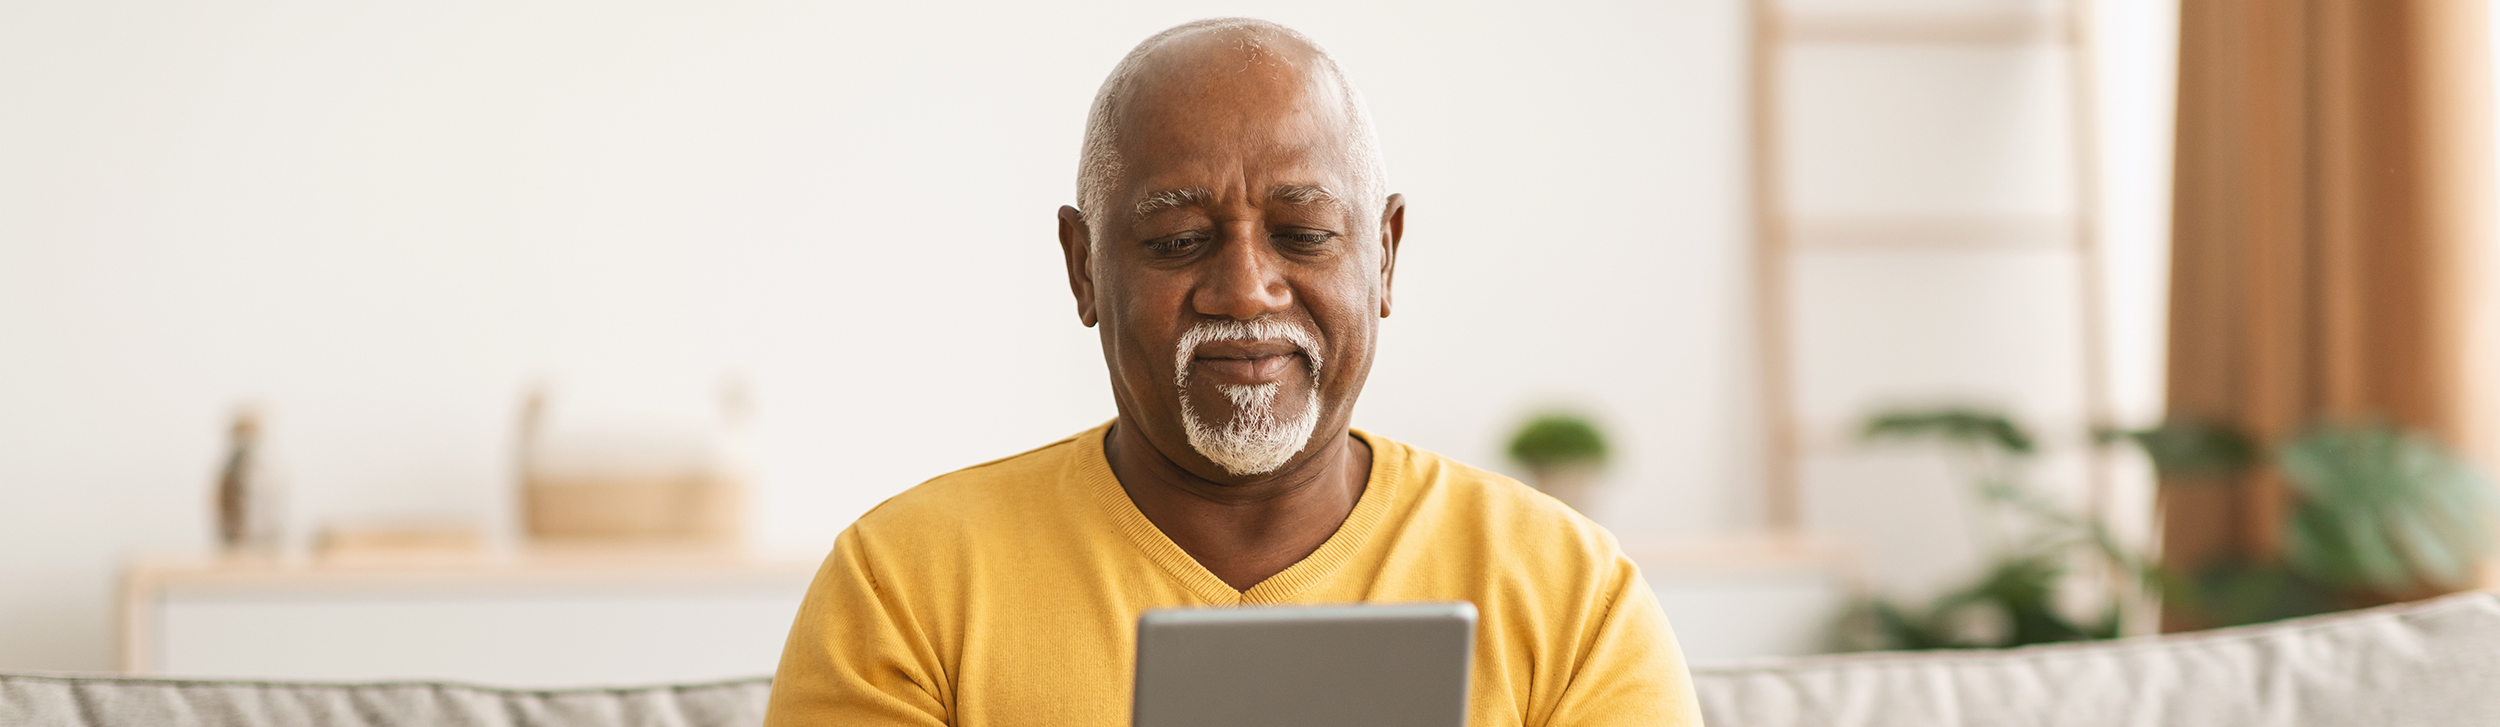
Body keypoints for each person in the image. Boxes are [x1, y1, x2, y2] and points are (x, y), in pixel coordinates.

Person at [766, 18, 1701, 726]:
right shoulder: (904, 585)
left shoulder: (1572, 593)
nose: (1247, 290)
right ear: (1083, 266)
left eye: (1303, 235)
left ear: (1384, 255)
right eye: (1177, 239)